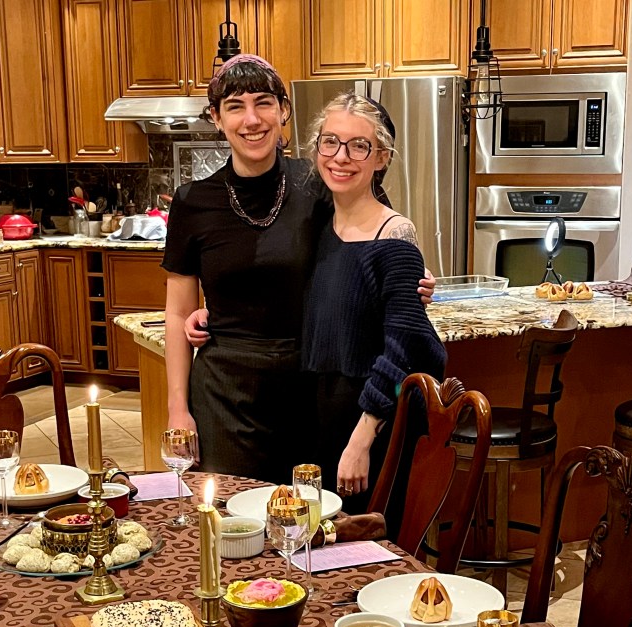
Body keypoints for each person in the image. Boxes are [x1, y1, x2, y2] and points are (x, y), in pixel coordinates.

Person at [162, 55, 433, 483]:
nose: (252, 119)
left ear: (283, 111)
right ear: (216, 117)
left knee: (303, 513)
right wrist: (178, 409)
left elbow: (369, 244)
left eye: (263, 102)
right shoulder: (192, 202)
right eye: (235, 106)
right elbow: (177, 312)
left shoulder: (319, 182)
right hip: (223, 391)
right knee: (232, 513)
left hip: (306, 388)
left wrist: (408, 281)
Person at [301, 93, 446, 510]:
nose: (340, 157)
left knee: (370, 539)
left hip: (372, 422)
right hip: (322, 414)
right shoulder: (317, 227)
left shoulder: (394, 235)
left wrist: (362, 440)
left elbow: (404, 348)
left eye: (359, 146)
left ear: (381, 158)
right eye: (330, 141)